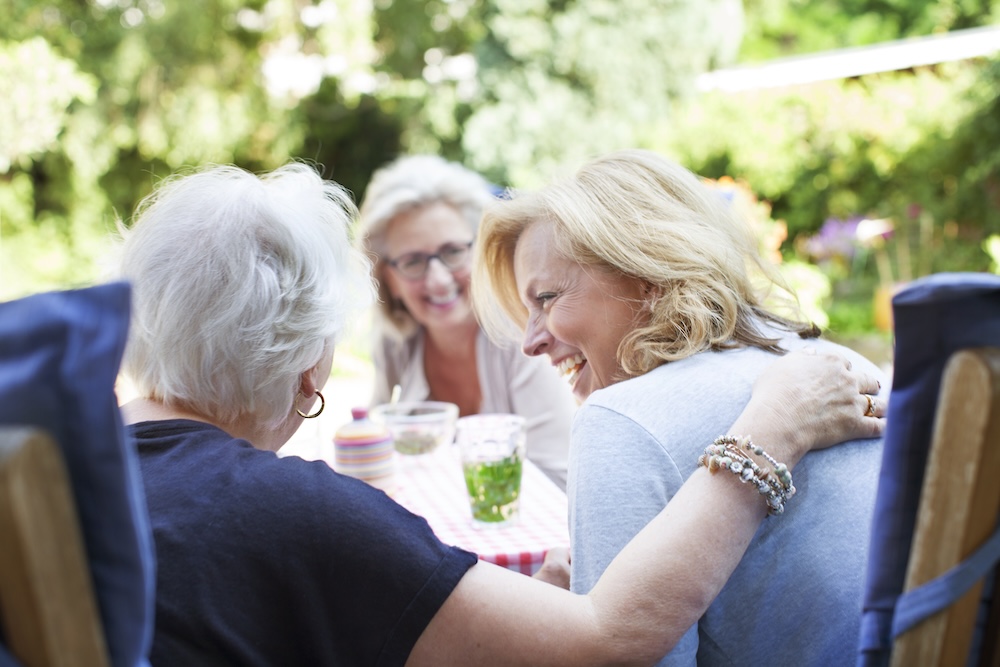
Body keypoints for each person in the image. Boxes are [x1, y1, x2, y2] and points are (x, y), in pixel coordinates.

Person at [114, 160, 885, 666]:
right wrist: (768, 435)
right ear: (299, 357)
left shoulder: (52, 471)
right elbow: (608, 639)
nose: (532, 338)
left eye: (546, 298)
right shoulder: (291, 510)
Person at [472, 148, 889, 666]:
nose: (530, 342)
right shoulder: (834, 362)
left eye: (548, 298)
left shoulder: (623, 419)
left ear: (647, 275)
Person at [356, 154, 576, 488]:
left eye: (452, 252)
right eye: (413, 261)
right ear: (389, 277)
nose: (438, 279)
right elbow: (370, 453)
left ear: (482, 251)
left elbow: (558, 479)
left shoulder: (522, 336)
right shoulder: (395, 342)